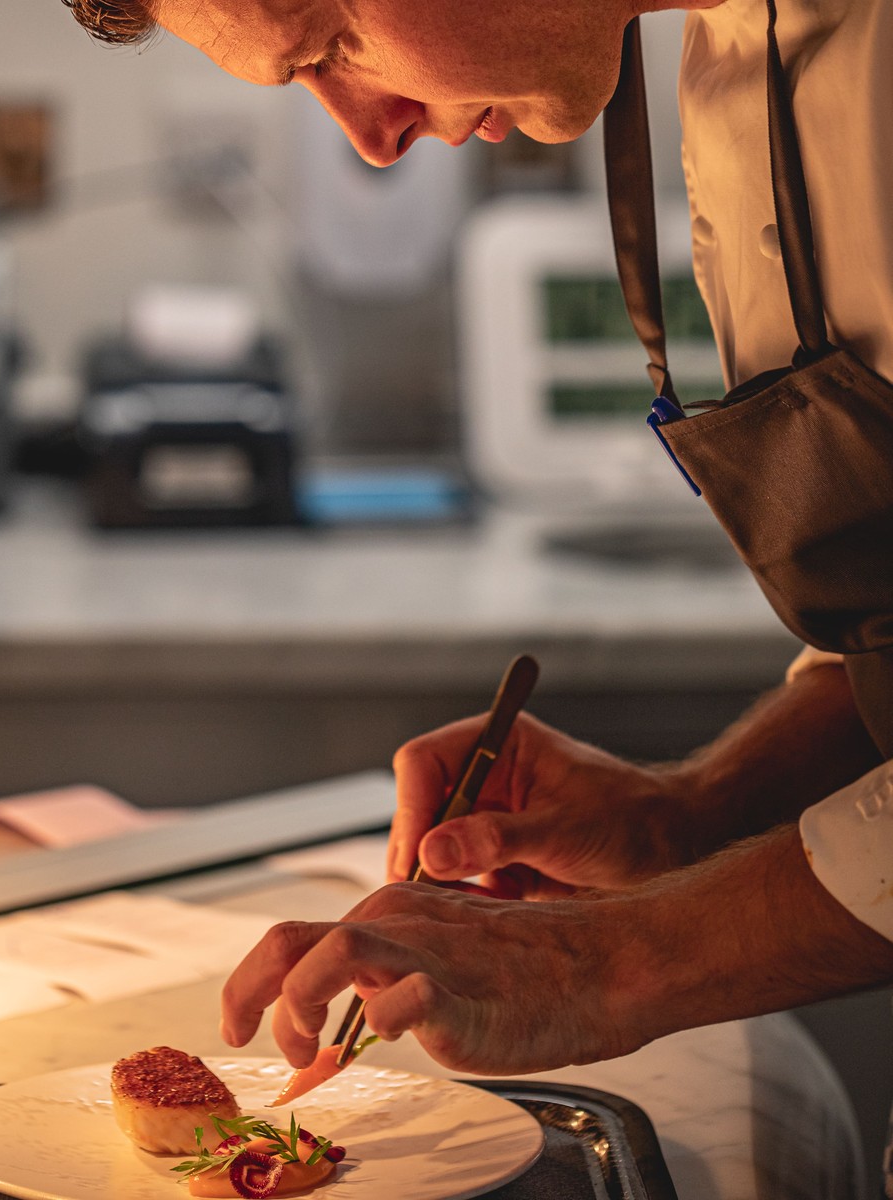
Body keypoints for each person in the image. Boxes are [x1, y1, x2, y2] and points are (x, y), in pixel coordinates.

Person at [62, 0, 893, 1183]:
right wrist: (692, 813)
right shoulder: (725, 55)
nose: (369, 138)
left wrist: (608, 962)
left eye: (330, 43)